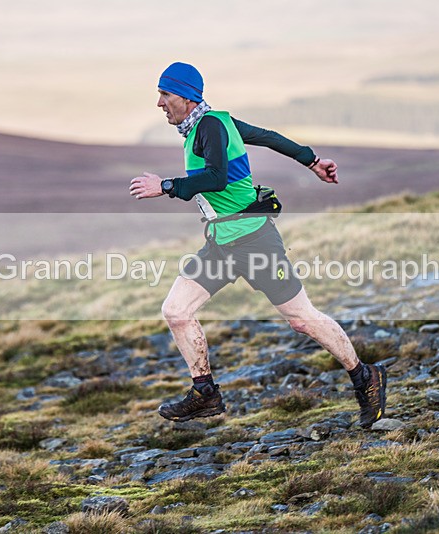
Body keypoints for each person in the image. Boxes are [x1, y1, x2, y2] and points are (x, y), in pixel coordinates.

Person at [129, 62, 386, 428]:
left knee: (302, 320)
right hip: (221, 244)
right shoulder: (210, 124)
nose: (159, 103)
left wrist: (167, 186)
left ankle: (365, 377)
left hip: (254, 241)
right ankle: (205, 391)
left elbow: (216, 179)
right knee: (177, 311)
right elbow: (268, 136)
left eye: (165, 94)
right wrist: (312, 161)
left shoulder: (212, 125)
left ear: (186, 97)